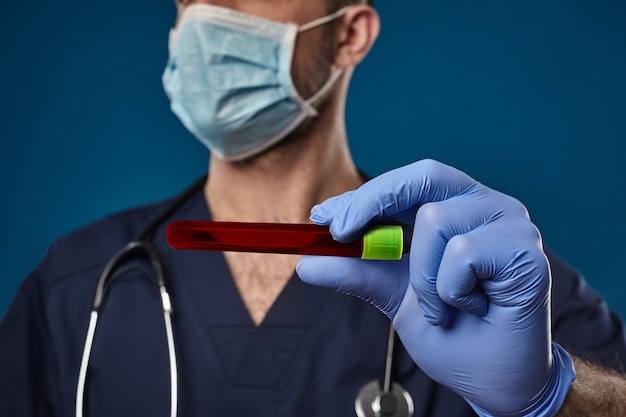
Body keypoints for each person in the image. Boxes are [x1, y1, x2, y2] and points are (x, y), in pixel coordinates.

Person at [1, 0, 625, 416]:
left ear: (348, 34)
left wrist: (547, 396)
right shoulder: (77, 284)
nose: (201, 21)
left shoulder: (485, 276)